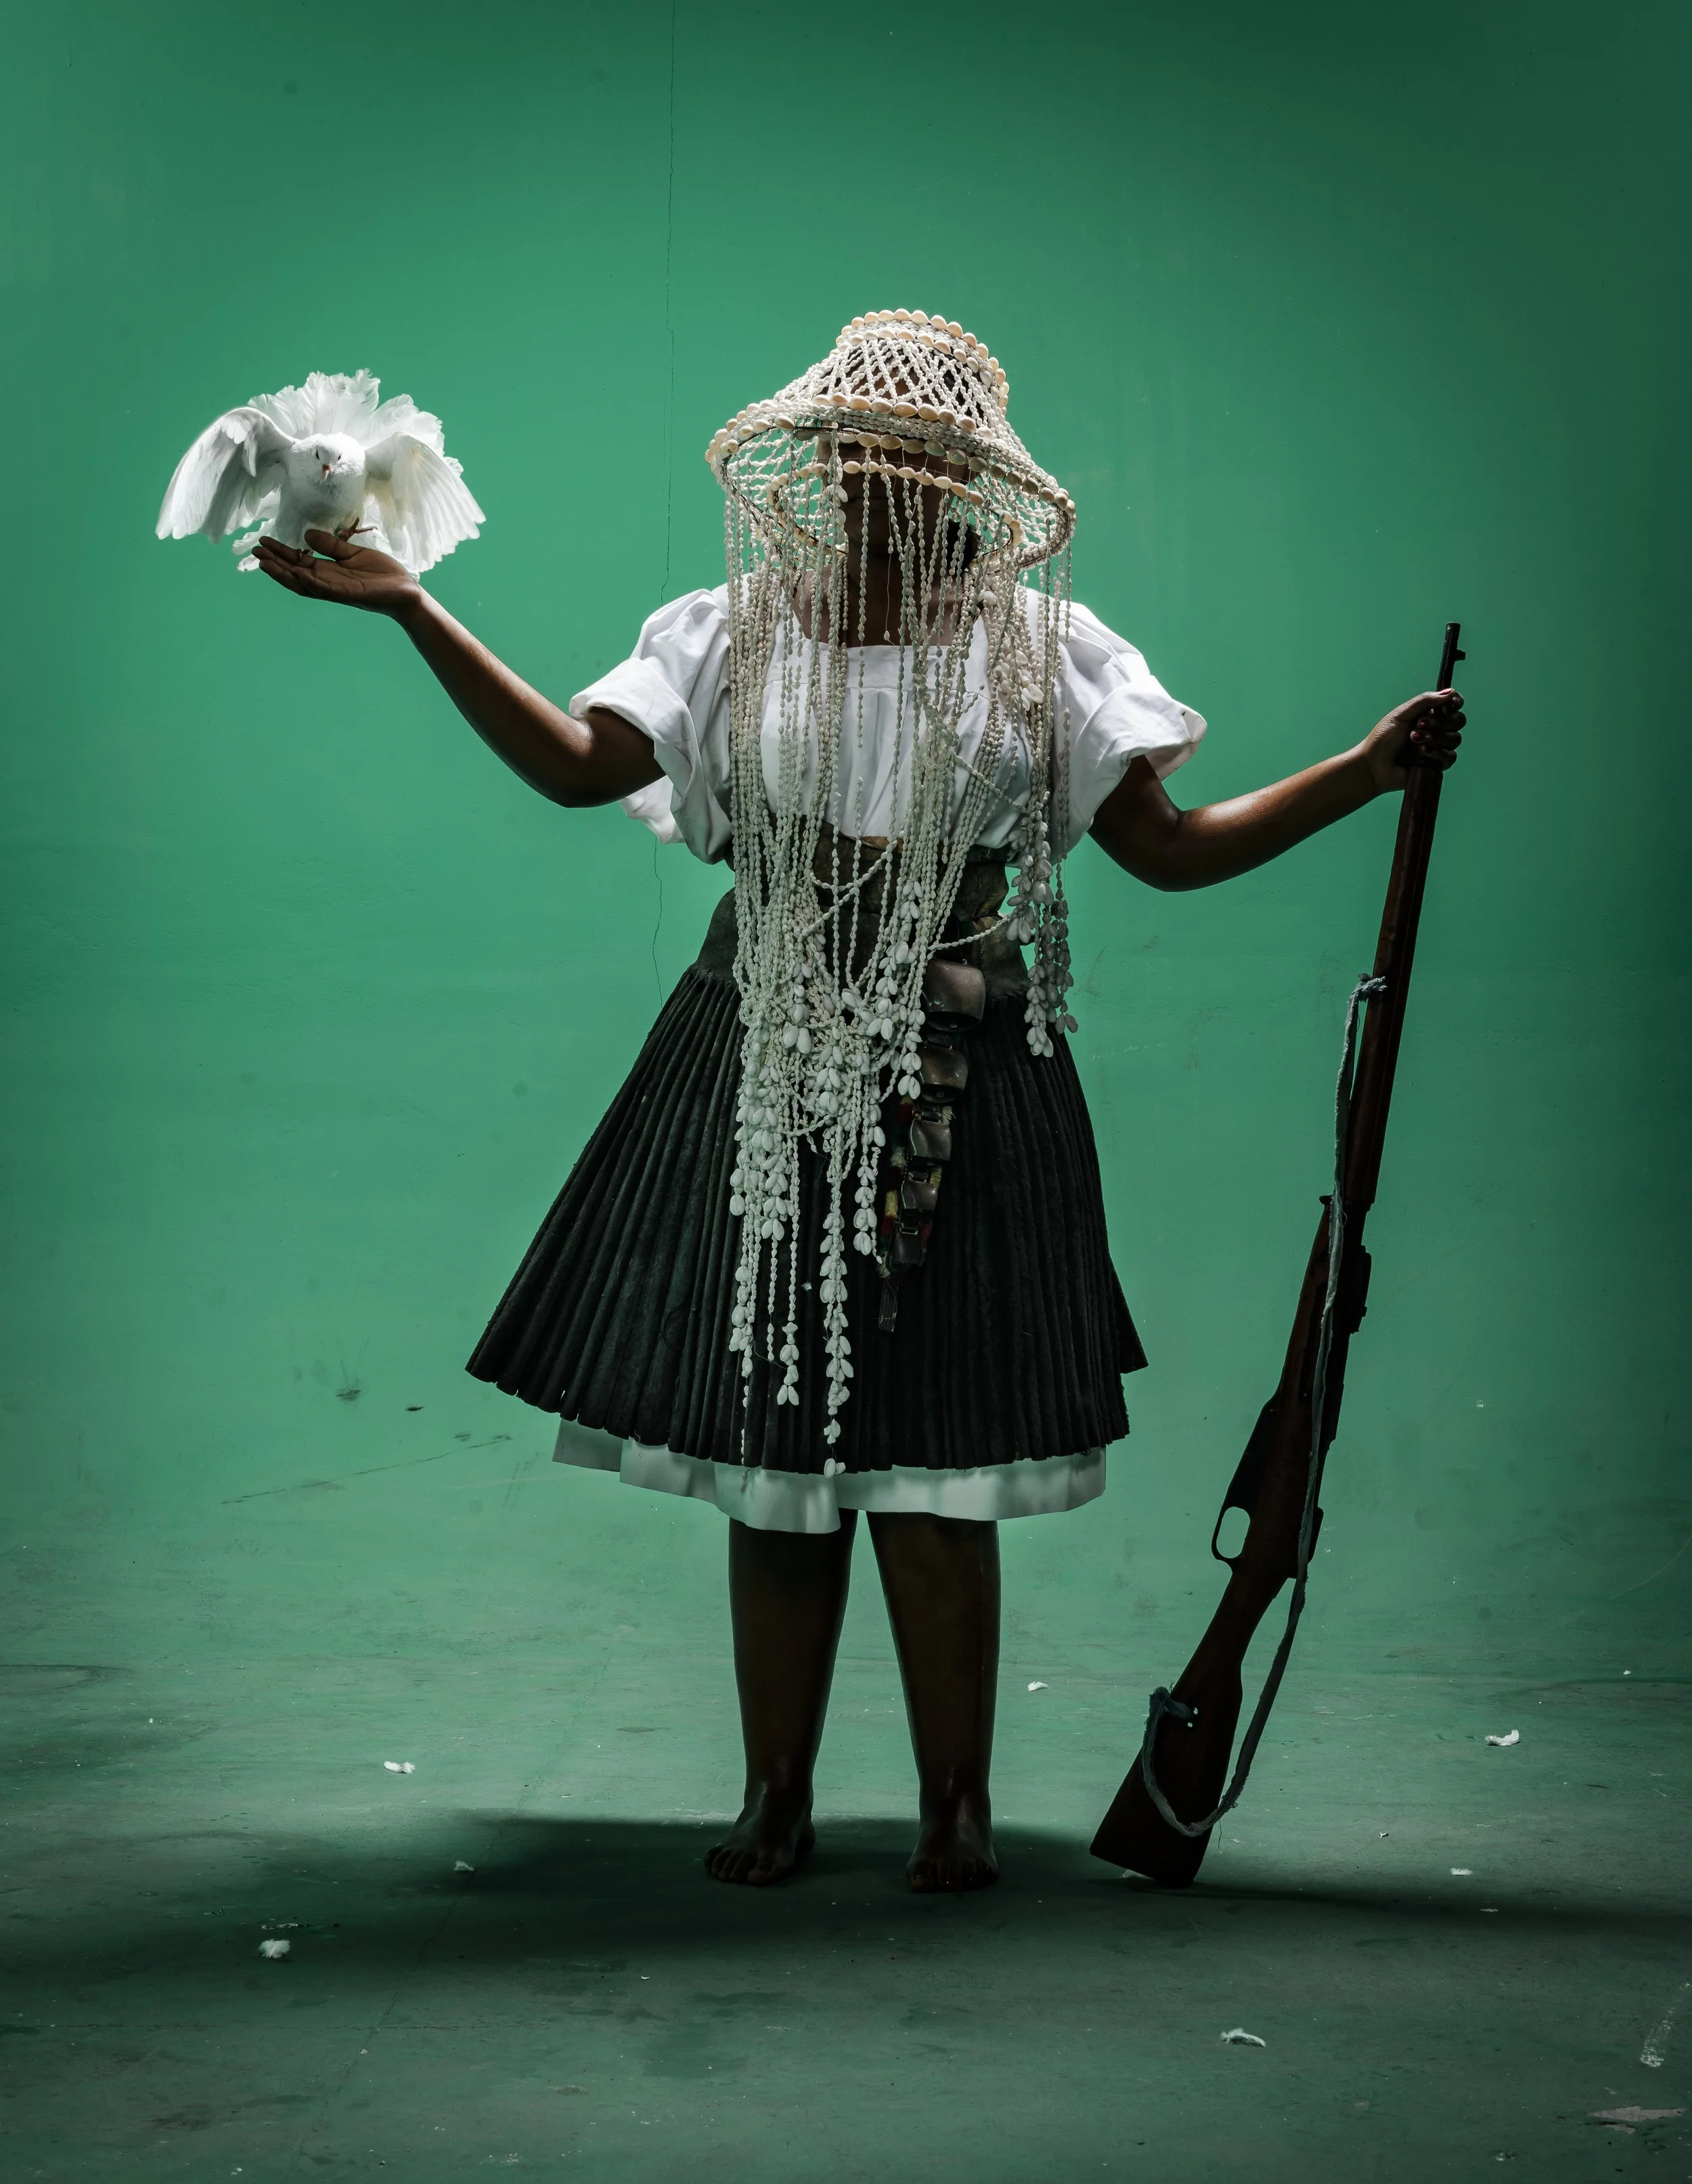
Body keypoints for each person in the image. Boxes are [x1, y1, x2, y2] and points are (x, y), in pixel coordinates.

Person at [254, 311, 1462, 1894]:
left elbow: (1167, 847)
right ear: (817, 467)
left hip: (967, 1067)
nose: (874, 481)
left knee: (936, 1470)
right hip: (758, 1059)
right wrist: (418, 608)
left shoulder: (1042, 650)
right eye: (852, 454)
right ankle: (776, 1791)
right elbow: (574, 763)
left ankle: (957, 1804)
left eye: (909, 458)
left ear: (967, 478)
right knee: (776, 1463)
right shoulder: (728, 630)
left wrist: (1364, 770)